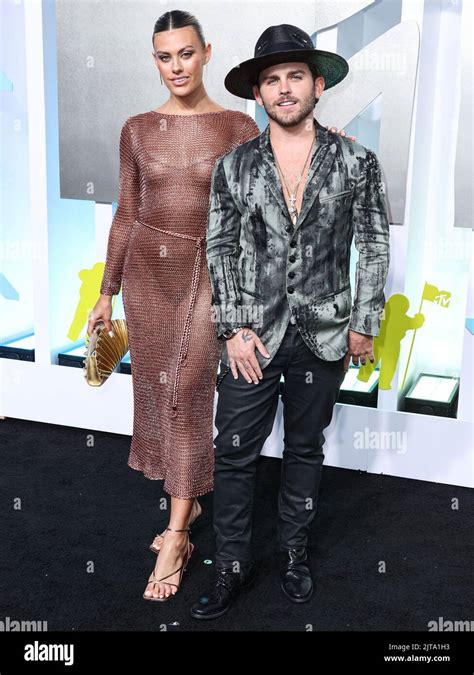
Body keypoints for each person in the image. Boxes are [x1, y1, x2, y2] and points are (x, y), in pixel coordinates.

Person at [87, 11, 350, 603]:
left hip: (211, 272)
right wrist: (107, 292)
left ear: (207, 53)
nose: (175, 67)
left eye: (185, 53)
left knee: (185, 393)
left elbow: (275, 182)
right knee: (161, 395)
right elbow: (127, 212)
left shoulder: (237, 125)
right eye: (164, 56)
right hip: (148, 278)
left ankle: (178, 534)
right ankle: (189, 494)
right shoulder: (135, 129)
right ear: (154, 60)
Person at [191, 23, 390, 619]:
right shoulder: (233, 168)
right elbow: (220, 248)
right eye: (271, 80)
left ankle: (294, 554)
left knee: (306, 449)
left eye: (294, 77)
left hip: (326, 333)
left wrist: (365, 322)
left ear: (318, 85)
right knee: (233, 453)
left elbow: (374, 245)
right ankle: (229, 564)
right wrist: (232, 327)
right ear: (258, 93)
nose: (284, 89)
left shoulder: (357, 161)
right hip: (252, 335)